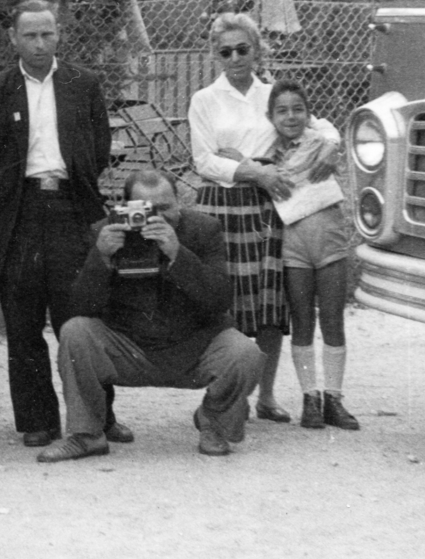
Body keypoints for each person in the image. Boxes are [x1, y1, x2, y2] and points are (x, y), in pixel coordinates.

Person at [0, 0, 128, 449]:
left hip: (70, 210)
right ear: (13, 39)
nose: (40, 43)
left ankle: (98, 415)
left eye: (47, 34)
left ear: (58, 35)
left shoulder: (83, 84)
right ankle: (37, 420)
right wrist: (9, 194)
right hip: (18, 215)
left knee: (81, 319)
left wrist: (72, 189)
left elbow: (97, 151)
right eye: (30, 35)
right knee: (22, 324)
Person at [37, 170, 264, 462]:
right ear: (125, 207)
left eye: (166, 208)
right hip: (128, 349)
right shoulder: (105, 231)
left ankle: (214, 424)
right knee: (75, 331)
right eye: (146, 209)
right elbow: (79, 306)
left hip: (194, 348)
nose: (159, 217)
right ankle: (86, 435)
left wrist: (178, 254)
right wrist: (101, 257)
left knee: (245, 352)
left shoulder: (204, 229)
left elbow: (220, 300)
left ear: (180, 202)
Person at [188, 12, 337, 425]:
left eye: (243, 48)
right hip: (222, 206)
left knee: (270, 306)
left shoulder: (271, 95)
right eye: (226, 51)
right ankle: (228, 395)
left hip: (268, 208)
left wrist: (331, 145)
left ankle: (267, 396)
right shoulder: (204, 99)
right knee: (227, 304)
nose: (235, 57)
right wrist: (254, 170)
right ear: (216, 55)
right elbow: (203, 160)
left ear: (256, 49)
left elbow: (319, 127)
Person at [266, 80, 359, 431]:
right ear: (270, 116)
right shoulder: (269, 148)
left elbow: (333, 130)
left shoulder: (321, 139)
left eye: (298, 109)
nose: (291, 116)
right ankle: (310, 398)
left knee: (333, 318)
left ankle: (334, 397)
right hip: (294, 244)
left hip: (330, 239)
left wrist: (330, 147)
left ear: (308, 112)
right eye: (282, 110)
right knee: (302, 320)